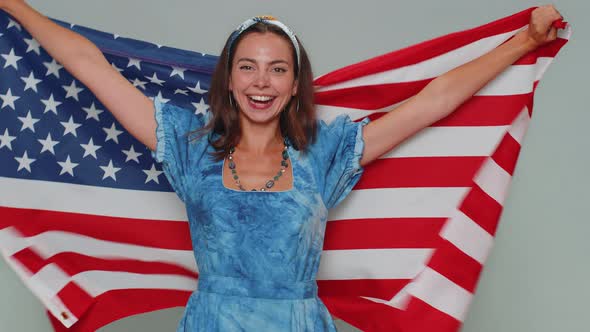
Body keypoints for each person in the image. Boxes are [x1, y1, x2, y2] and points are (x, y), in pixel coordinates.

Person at [0, 1, 563, 331]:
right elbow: (86, 63)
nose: (261, 82)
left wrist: (522, 42)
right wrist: (12, 5)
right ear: (230, 79)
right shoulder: (188, 145)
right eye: (247, 68)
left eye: (276, 70)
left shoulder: (329, 151)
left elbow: (433, 103)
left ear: (295, 85)